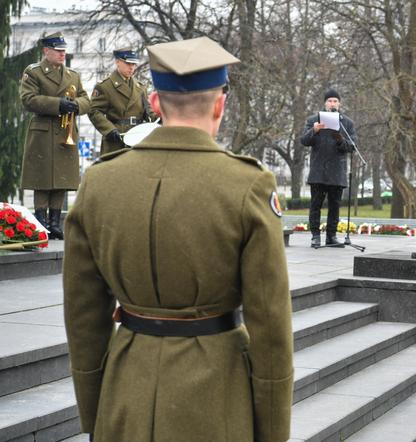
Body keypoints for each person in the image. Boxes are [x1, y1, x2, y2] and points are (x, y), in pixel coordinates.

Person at [63, 37, 293, 442]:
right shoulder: (248, 184)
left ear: (154, 103)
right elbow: (270, 324)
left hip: (125, 387)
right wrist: (272, 431)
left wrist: (96, 412)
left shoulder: (99, 181)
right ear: (220, 105)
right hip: (217, 395)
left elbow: (83, 316)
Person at [19, 31, 90, 239]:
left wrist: (76, 105)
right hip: (43, 130)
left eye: (64, 51)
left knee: (62, 178)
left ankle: (54, 223)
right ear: (46, 51)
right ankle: (41, 221)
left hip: (65, 130)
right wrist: (58, 104)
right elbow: (28, 99)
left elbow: (86, 98)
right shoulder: (34, 72)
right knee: (42, 178)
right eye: (58, 51)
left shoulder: (72, 75)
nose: (62, 54)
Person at [301, 89, 358, 248]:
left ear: (339, 104)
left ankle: (331, 236)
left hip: (337, 172)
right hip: (319, 170)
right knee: (316, 205)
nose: (332, 104)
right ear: (325, 103)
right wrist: (314, 130)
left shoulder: (347, 123)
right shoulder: (313, 120)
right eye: (329, 101)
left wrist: (341, 140)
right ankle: (315, 236)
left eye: (335, 101)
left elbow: (353, 147)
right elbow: (304, 141)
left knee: (334, 206)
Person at [89, 47, 156, 155]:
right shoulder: (105, 86)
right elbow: (94, 111)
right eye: (128, 63)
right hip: (116, 139)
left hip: (137, 138)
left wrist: (160, 118)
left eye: (133, 64)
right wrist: (109, 130)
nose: (131, 68)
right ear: (118, 62)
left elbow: (148, 111)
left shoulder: (140, 86)